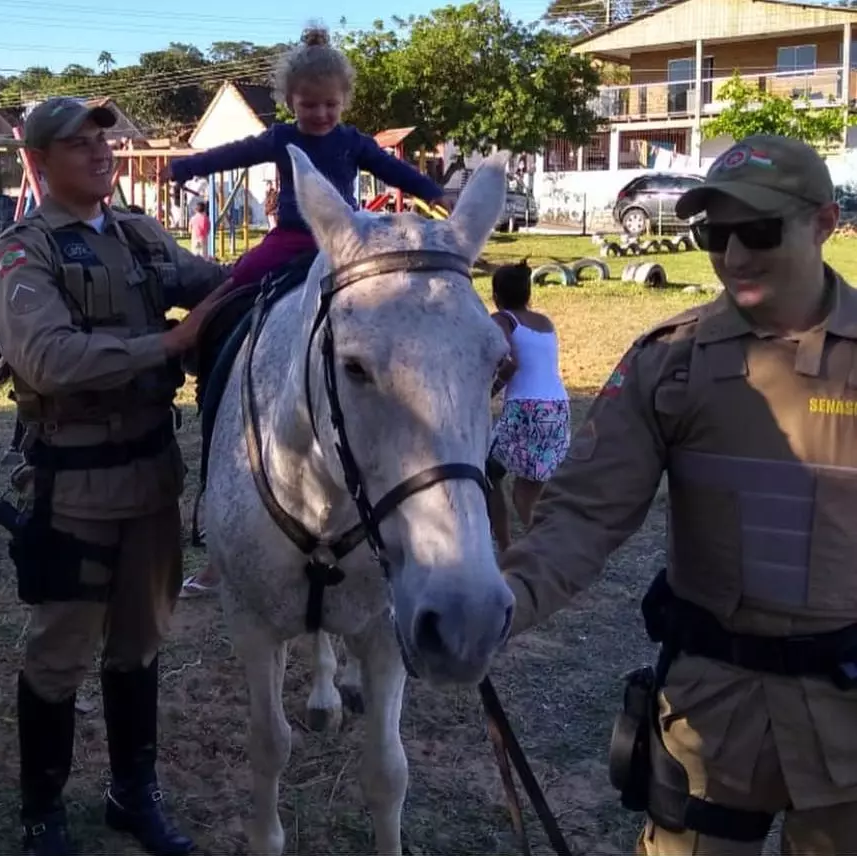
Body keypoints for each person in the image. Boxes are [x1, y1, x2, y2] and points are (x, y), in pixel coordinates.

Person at [501, 134, 857, 855]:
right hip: (709, 724)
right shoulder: (670, 360)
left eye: (757, 232)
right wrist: (500, 605)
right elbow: (582, 514)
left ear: (823, 223)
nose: (731, 258)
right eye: (712, 235)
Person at [0, 96, 235, 856]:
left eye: (104, 140)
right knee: (59, 651)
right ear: (37, 161)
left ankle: (133, 794)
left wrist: (303, 253)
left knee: (140, 644)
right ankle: (42, 810)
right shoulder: (23, 253)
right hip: (77, 487)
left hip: (153, 479)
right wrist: (170, 343)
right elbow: (47, 359)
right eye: (79, 143)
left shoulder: (138, 236)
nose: (102, 153)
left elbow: (219, 281)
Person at [167, 25, 447, 290]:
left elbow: (391, 168)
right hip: (293, 237)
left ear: (344, 101)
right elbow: (232, 154)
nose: (321, 113)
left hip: (346, 237)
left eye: (330, 104)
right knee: (241, 275)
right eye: (309, 105)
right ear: (290, 101)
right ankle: (205, 331)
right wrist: (184, 167)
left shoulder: (352, 142)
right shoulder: (281, 138)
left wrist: (430, 191)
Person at [485, 260, 570, 551]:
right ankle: (545, 545)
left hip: (527, 409)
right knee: (527, 491)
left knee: (489, 470)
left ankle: (509, 546)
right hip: (557, 408)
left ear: (495, 295)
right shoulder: (545, 322)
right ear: (528, 293)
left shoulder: (501, 320)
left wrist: (489, 392)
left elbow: (510, 363)